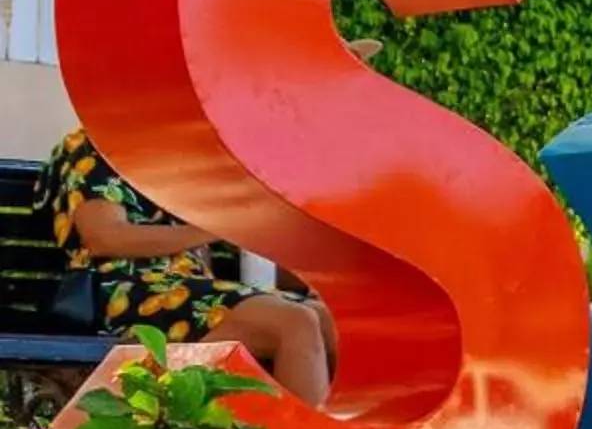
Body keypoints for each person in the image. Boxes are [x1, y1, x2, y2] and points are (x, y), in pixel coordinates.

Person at [36, 47, 383, 408]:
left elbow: (256, 248)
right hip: (128, 292)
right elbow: (105, 238)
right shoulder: (94, 147)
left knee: (334, 319)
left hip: (195, 295)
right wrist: (212, 229)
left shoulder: (184, 155)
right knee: (294, 323)